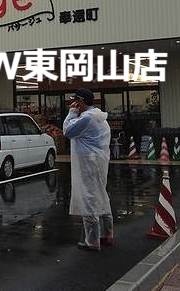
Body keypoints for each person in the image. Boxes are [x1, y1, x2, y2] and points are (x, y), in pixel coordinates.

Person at [63, 88, 114, 251]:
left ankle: (92, 241)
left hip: (87, 163)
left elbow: (67, 131)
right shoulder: (100, 117)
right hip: (99, 162)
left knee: (89, 197)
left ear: (81, 102)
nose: (73, 104)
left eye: (75, 101)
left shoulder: (86, 118)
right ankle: (107, 233)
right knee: (101, 195)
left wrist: (71, 113)